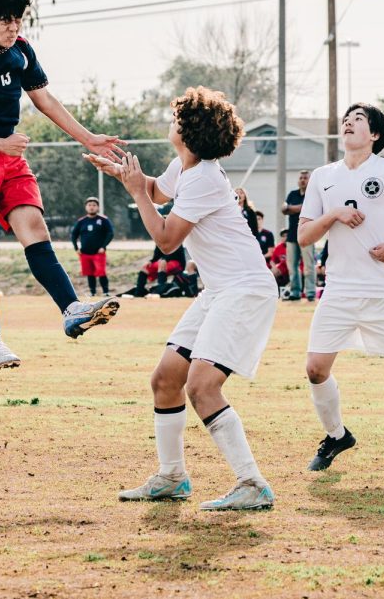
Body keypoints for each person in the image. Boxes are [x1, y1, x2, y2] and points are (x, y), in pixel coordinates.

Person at [88, 87, 279, 511]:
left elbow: (167, 240)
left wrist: (137, 191)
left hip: (245, 290)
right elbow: (158, 191)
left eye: (177, 116)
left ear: (190, 130)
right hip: (220, 291)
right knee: (165, 380)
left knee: (202, 385)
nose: (171, 120)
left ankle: (252, 483)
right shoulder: (188, 167)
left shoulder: (205, 177)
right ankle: (172, 478)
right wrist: (129, 177)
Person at [0, 0, 124, 369]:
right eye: (4, 20)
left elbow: (44, 99)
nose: (13, 26)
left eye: (18, 19)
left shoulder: (20, 51)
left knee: (35, 230)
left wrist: (87, 138)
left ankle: (71, 309)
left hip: (8, 155)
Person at [298, 102, 384, 473]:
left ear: (374, 134)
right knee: (315, 369)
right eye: (346, 119)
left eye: (358, 119)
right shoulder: (322, 176)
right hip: (339, 289)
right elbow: (303, 236)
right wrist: (334, 215)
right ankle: (336, 436)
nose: (348, 123)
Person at [283, 170, 316, 301]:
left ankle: (310, 293)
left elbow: (289, 209)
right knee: (292, 266)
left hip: (307, 234)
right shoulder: (292, 194)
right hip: (292, 235)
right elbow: (283, 209)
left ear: (310, 180)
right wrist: (301, 207)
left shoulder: (313, 194)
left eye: (305, 178)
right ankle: (295, 292)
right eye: (301, 178)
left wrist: (291, 208)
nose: (303, 180)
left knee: (308, 265)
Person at [71, 197, 114, 296]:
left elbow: (110, 233)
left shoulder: (103, 220)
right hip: (85, 253)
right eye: (89, 205)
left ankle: (106, 292)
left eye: (94, 205)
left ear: (98, 207)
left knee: (101, 272)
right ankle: (93, 292)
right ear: (86, 207)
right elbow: (74, 235)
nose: (91, 207)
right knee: (89, 273)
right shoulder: (81, 221)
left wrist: (103, 246)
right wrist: (76, 248)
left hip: (98, 252)